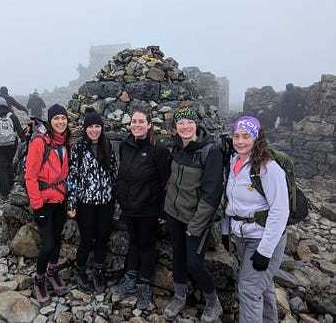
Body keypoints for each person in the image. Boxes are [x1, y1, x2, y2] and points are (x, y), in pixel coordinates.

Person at [161, 103, 224, 322]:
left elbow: (211, 194)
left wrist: (196, 224)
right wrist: (164, 210)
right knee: (178, 256)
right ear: (175, 126)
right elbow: (171, 183)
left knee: (194, 263)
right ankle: (179, 297)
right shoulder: (176, 147)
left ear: (197, 124)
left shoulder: (210, 152)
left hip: (195, 220)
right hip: (173, 214)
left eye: (190, 121)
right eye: (181, 122)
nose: (185, 126)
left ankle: (213, 302)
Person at [222, 116, 288, 322]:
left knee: (249, 290)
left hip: (263, 239)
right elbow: (230, 202)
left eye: (246, 136)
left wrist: (265, 251)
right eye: (236, 136)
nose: (240, 141)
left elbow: (280, 211)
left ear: (257, 138)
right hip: (242, 237)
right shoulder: (234, 161)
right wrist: (226, 231)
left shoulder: (268, 168)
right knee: (263, 286)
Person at [110, 109, 169, 310]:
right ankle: (130, 278)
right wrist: (121, 201)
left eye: (141, 121)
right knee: (133, 242)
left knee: (147, 245)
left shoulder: (158, 150)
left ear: (149, 125)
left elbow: (164, 183)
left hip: (149, 208)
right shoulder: (125, 146)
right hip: (129, 207)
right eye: (134, 121)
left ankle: (144, 285)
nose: (136, 125)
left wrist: (163, 211)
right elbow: (122, 176)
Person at [66, 108, 118, 294]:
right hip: (85, 202)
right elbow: (72, 178)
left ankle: (98, 271)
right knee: (87, 239)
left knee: (102, 238)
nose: (94, 130)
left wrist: (116, 198)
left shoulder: (108, 145)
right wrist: (71, 204)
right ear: (85, 128)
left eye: (97, 126)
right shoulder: (78, 148)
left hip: (106, 202)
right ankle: (80, 271)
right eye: (91, 126)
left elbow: (113, 172)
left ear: (102, 128)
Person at [25, 103, 71, 305]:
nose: (60, 122)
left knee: (57, 239)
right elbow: (30, 176)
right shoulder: (39, 143)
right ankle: (40, 279)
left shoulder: (66, 142)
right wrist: (37, 206)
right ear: (50, 121)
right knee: (47, 245)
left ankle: (53, 271)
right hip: (44, 202)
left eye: (63, 118)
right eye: (56, 119)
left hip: (60, 200)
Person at [0, 97, 26, 201]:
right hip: (12, 145)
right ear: (7, 105)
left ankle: (4, 193)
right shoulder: (12, 116)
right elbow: (20, 131)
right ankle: (11, 184)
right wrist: (25, 143)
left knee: (1, 167)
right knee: (9, 163)